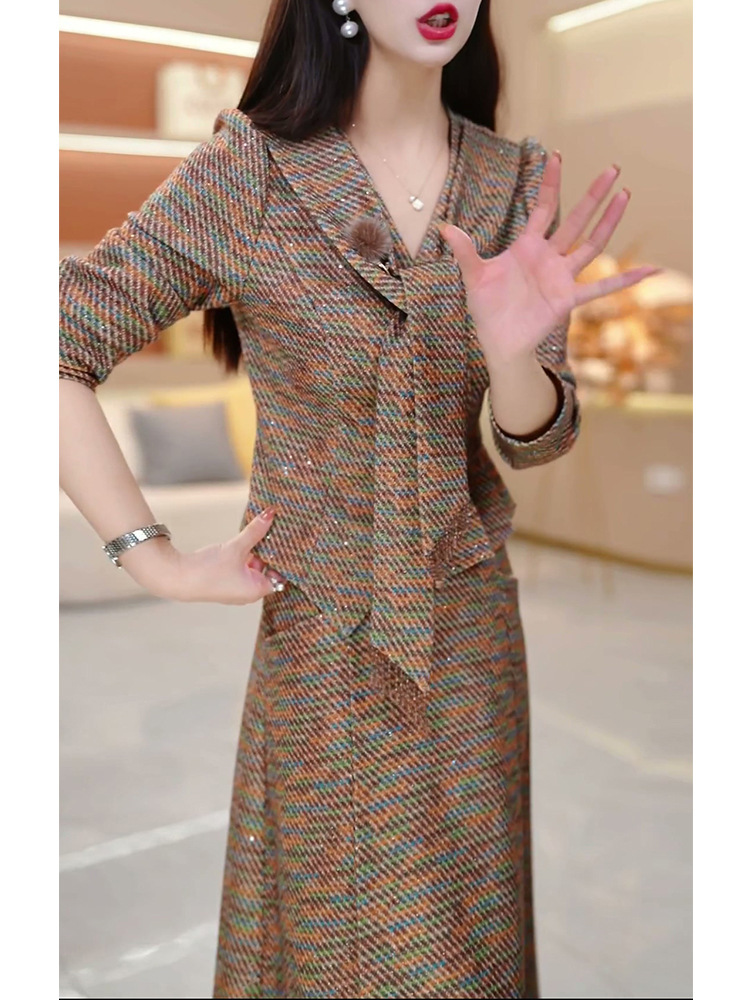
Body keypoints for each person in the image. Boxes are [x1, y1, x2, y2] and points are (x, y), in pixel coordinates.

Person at [59, 1, 659, 996]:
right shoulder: (251, 170)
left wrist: (514, 353)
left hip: (469, 647)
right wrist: (153, 557)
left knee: (475, 955)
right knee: (336, 957)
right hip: (325, 652)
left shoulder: (512, 179)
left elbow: (537, 437)